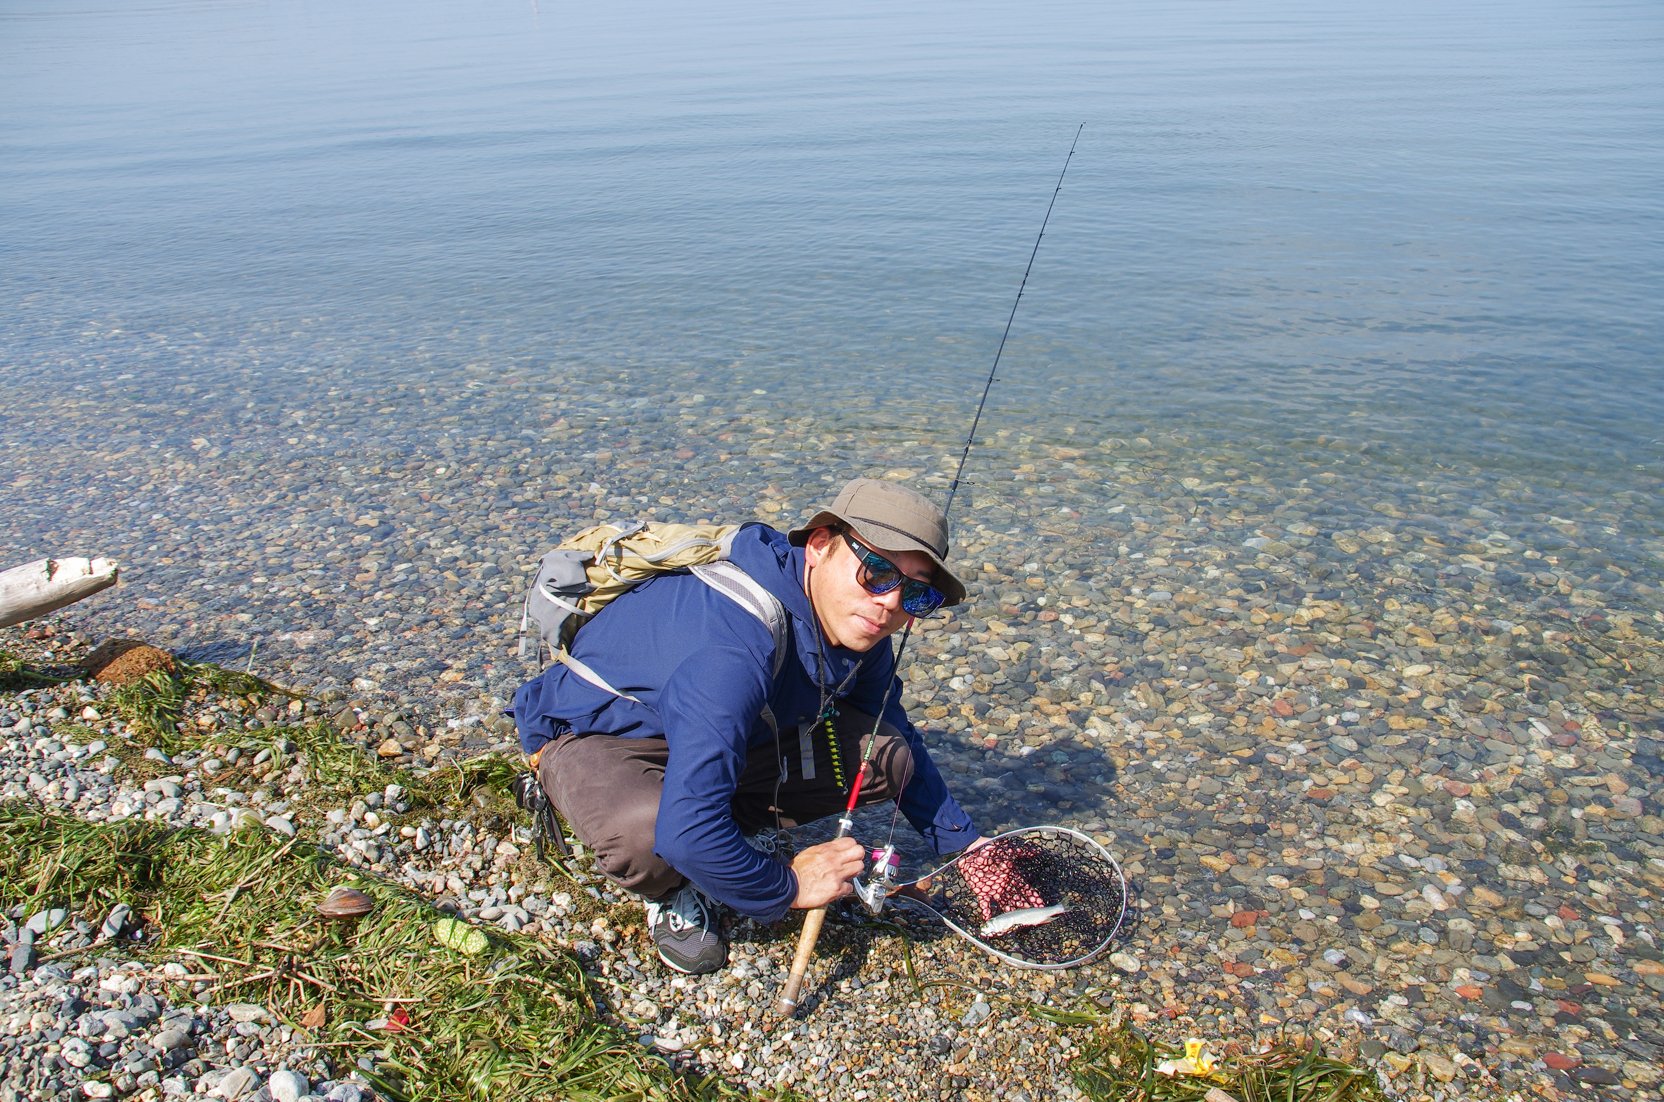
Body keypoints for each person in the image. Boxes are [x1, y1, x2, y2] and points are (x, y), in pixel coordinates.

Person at [509, 476, 990, 974]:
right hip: (605, 738)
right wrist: (789, 885)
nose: (891, 603)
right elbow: (685, 835)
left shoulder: (856, 621)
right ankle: (673, 886)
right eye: (876, 572)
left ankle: (724, 833)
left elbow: (889, 722)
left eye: (917, 594)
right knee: (653, 839)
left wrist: (968, 849)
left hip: (710, 730)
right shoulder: (734, 651)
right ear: (820, 546)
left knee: (888, 756)